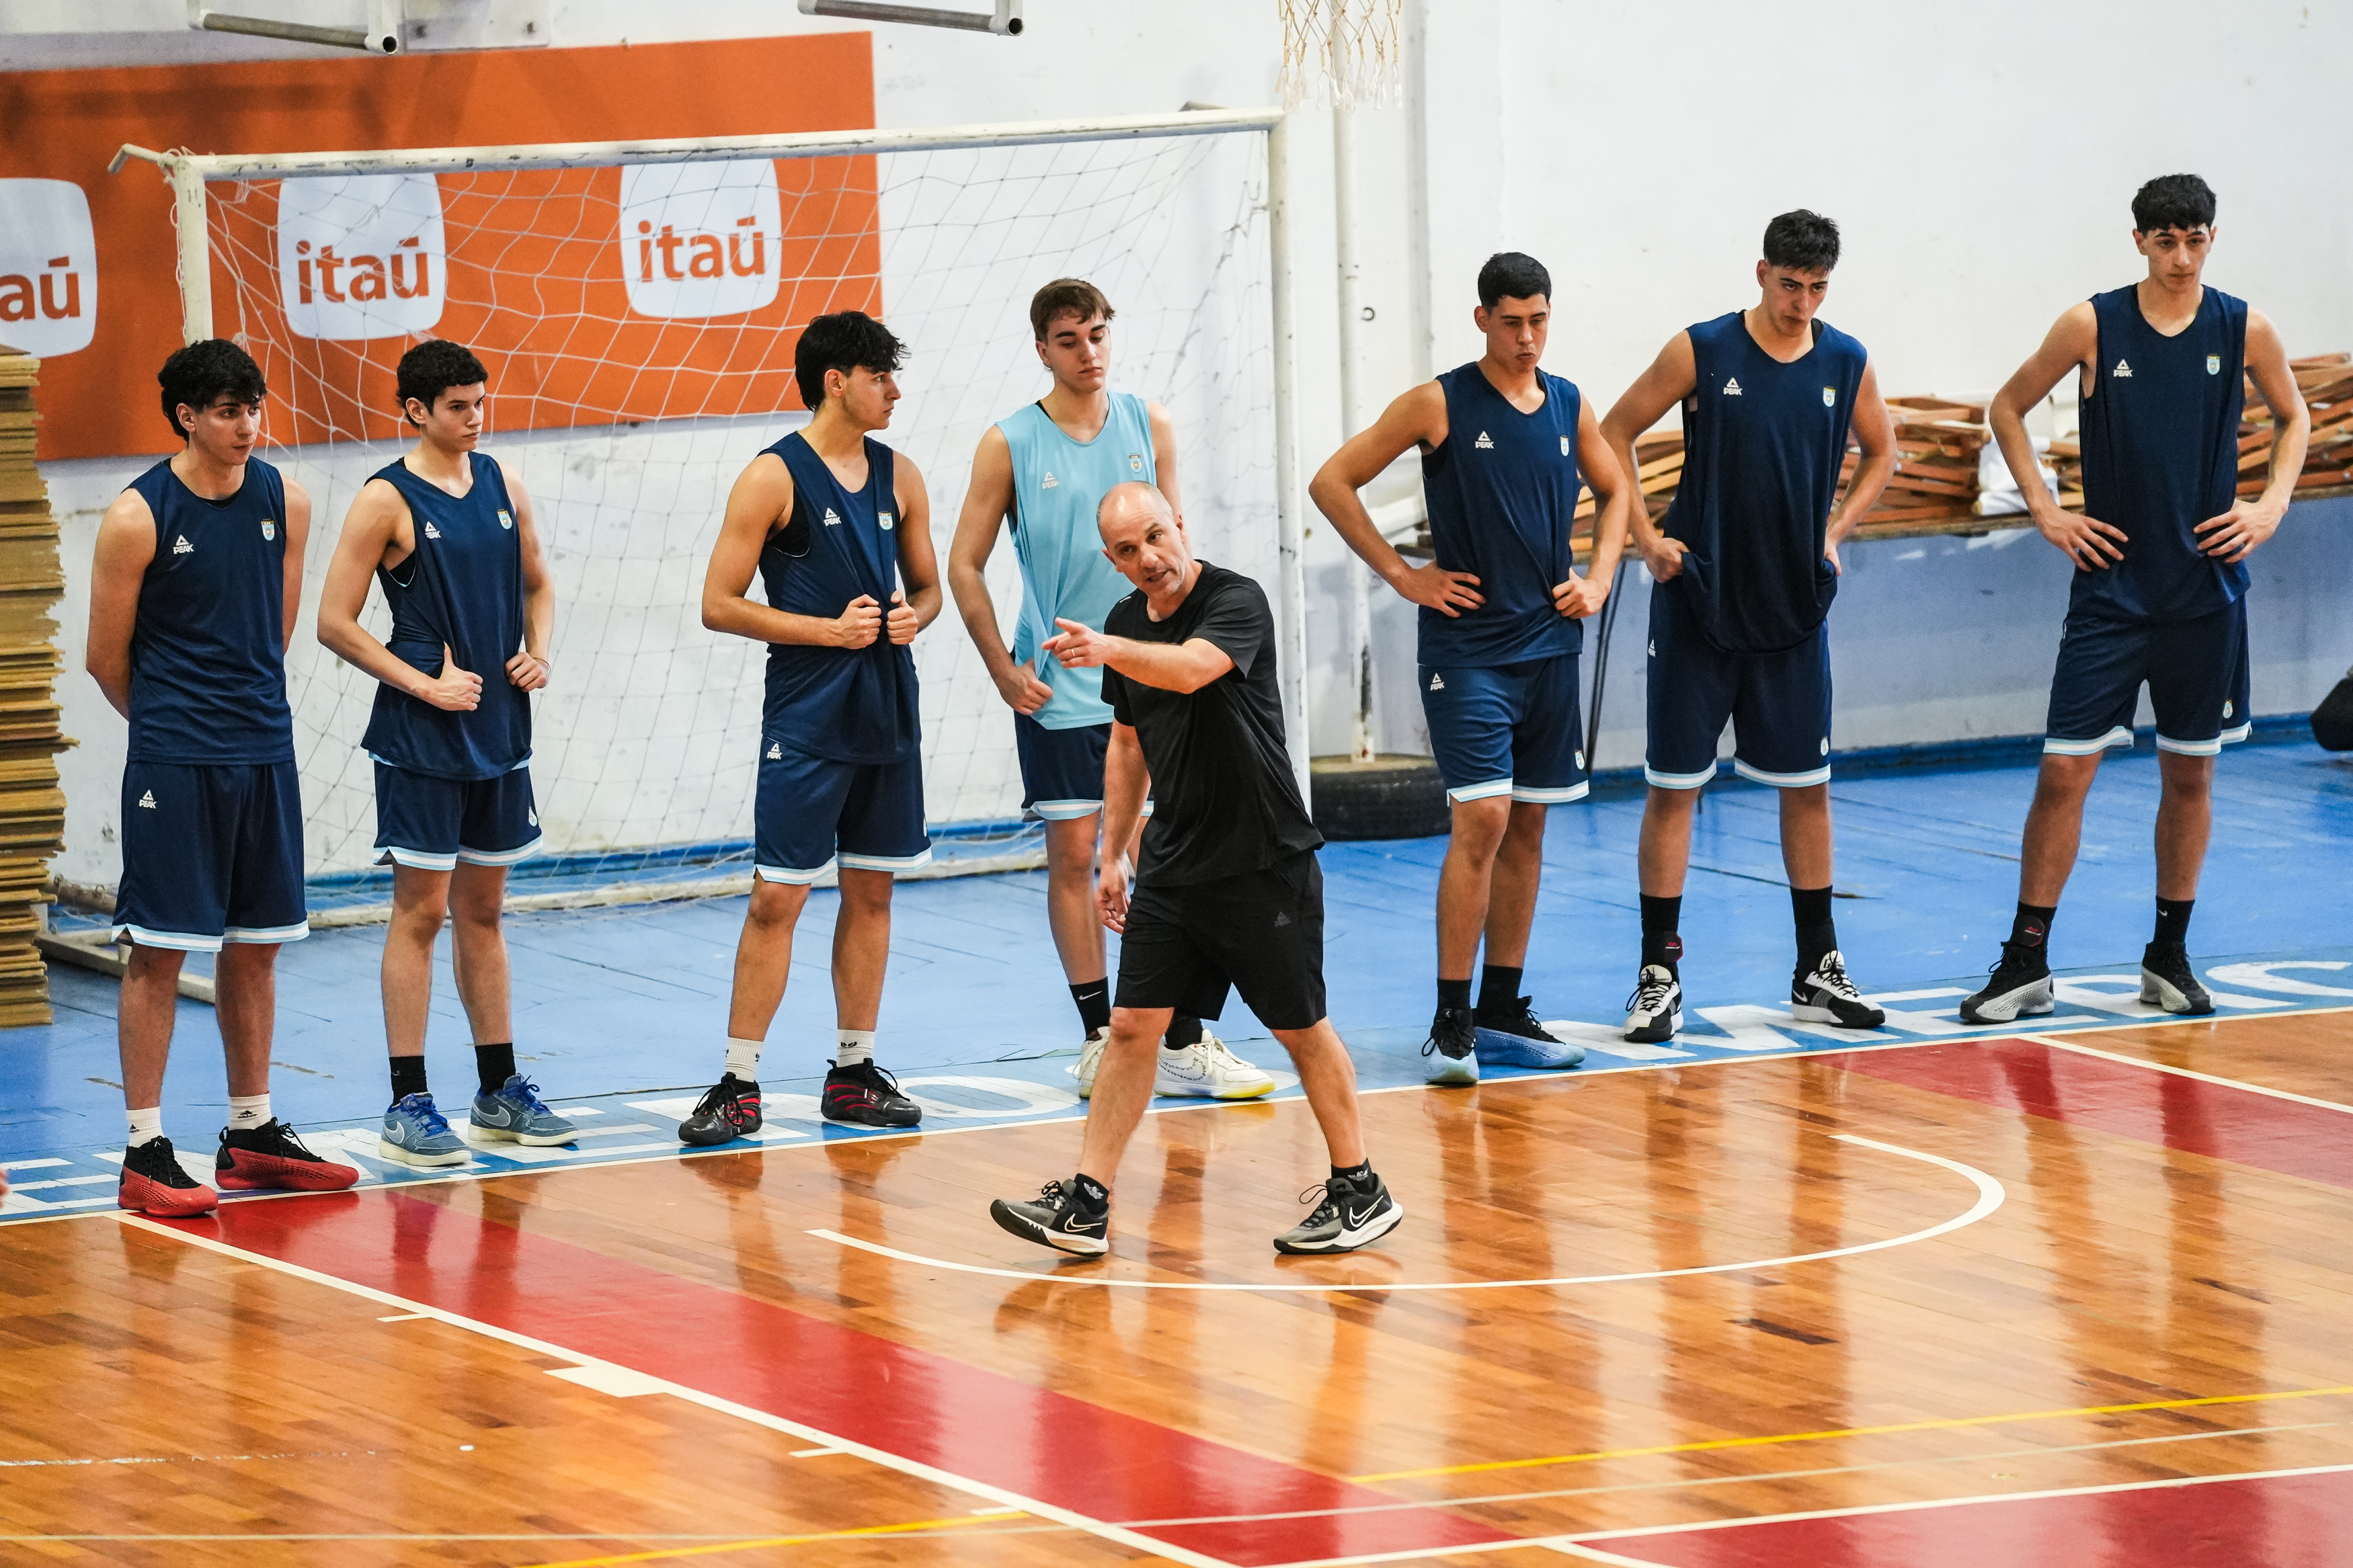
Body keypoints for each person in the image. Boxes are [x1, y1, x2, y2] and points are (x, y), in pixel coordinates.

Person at [989, 483, 1401, 1257]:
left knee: (1299, 1028)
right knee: (1131, 1028)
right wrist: (1112, 853)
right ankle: (1087, 1201)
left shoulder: (1234, 600)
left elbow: (1186, 671)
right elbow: (1127, 742)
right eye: (1125, 550)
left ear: (1180, 524)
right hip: (1174, 862)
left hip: (1260, 857)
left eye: (1154, 537)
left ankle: (1359, 1186)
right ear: (1110, 560)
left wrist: (1110, 652)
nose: (1146, 558)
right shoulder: (1120, 621)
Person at [1962, 175, 2308, 1023]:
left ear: (2211, 238)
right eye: (2165, 240)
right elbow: (2006, 407)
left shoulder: (2242, 325)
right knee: (2061, 773)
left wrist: (2268, 505)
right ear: (2139, 242)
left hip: (2204, 591)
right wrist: (2046, 510)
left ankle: (2167, 956)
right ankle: (2025, 961)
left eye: (2194, 239)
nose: (2180, 256)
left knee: (2188, 776)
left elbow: (2294, 419)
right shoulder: (2093, 322)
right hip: (2111, 592)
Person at [947, 277, 1275, 1103]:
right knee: (1075, 857)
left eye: (1096, 334)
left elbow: (1175, 544)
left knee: (1170, 855)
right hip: (1059, 683)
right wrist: (998, 663)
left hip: (1153, 675)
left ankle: (1182, 1036)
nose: (1087, 353)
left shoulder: (1146, 420)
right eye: (1069, 340)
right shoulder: (1009, 441)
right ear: (1041, 350)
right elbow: (963, 562)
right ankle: (1100, 1033)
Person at [1310, 251, 1632, 1085]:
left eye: (1539, 321)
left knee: (1527, 824)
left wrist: (1597, 577)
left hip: (1550, 650)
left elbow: (1617, 488)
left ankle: (1499, 1008)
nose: (1526, 338)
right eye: (1511, 321)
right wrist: (1402, 574)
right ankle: (1448, 1018)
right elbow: (1331, 481)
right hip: (1467, 653)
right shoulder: (1438, 401)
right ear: (1482, 318)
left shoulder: (1567, 402)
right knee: (1481, 819)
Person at [1599, 211, 1898, 1044]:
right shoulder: (1701, 349)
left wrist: (1834, 534)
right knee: (1674, 789)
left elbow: (1883, 452)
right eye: (1789, 285)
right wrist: (1646, 538)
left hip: (1793, 606)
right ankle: (1658, 974)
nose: (1801, 303)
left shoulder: (1845, 359)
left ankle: (1816, 966)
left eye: (1816, 289)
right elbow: (1611, 432)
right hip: (1699, 599)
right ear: (1760, 272)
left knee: (1807, 788)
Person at [87, 339, 358, 1214]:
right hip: (176, 758)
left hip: (263, 750)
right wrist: (173, 731)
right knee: (161, 948)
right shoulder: (138, 515)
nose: (246, 426)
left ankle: (250, 1131)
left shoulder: (289, 500)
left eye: (253, 408)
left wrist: (239, 722)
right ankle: (143, 1148)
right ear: (186, 417)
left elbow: (270, 636)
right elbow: (104, 658)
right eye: (227, 411)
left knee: (260, 941)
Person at [674, 311, 943, 1146]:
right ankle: (737, 1081)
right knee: (776, 898)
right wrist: (827, 630)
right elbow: (719, 605)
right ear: (837, 380)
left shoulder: (902, 476)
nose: (893, 391)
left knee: (872, 891)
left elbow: (929, 590)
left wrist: (911, 618)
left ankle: (853, 1070)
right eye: (879, 376)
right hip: (807, 716)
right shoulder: (771, 476)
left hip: (887, 708)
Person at [319, 339, 575, 1167]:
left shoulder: (503, 482)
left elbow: (538, 579)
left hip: (500, 728)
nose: (473, 418)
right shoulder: (384, 499)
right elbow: (334, 621)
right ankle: (408, 1099)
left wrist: (537, 649)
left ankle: (498, 1089)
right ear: (415, 412)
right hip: (422, 736)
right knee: (421, 912)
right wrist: (421, 685)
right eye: (456, 406)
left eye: (478, 402)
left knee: (485, 911)